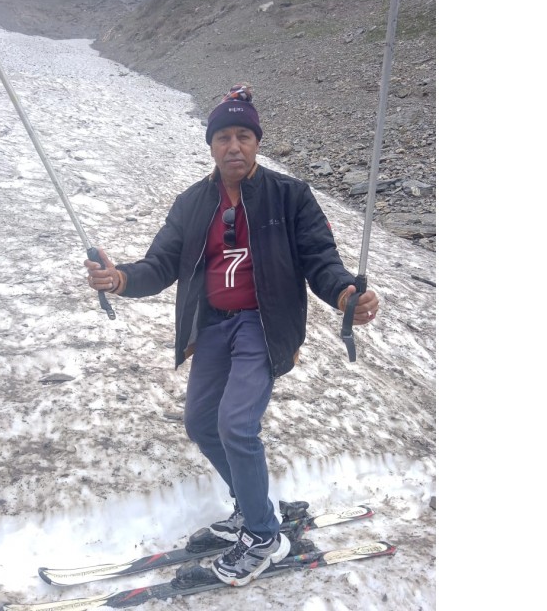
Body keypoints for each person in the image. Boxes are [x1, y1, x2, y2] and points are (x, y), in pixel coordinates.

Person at [84, 83, 379, 587]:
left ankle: (264, 535)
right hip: (214, 327)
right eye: (224, 137)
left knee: (236, 426)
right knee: (202, 423)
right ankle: (251, 505)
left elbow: (319, 260)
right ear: (211, 145)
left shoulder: (291, 196)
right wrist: (121, 279)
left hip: (263, 327)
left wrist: (345, 294)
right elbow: (160, 264)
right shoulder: (193, 203)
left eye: (244, 135)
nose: (234, 146)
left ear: (257, 142)